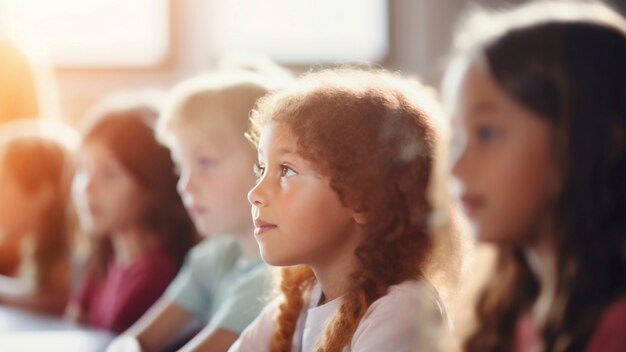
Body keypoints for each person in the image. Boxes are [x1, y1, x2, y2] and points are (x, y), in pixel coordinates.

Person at [229, 68, 458, 352]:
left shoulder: (402, 312)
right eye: (262, 168)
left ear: (364, 198)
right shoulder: (302, 301)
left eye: (286, 170)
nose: (255, 194)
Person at [444, 2, 626, 351]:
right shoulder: (507, 315)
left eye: (487, 133)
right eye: (458, 139)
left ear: (597, 139)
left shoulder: (617, 329)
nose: (455, 168)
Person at [107, 71, 282, 352]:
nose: (185, 185)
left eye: (205, 162)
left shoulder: (272, 278)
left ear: (264, 162)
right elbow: (135, 340)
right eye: (180, 167)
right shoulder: (213, 256)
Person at [65, 97, 197, 334]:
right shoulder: (101, 262)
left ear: (154, 183)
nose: (87, 188)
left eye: (110, 173)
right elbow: (74, 325)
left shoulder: (155, 278)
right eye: (83, 169)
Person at [0, 119, 77, 315]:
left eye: (4, 186)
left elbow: (59, 298)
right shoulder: (29, 251)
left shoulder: (73, 262)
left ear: (42, 194)